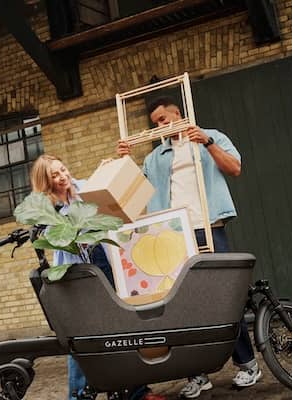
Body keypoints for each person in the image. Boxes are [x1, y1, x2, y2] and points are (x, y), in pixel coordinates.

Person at [117, 97, 262, 399]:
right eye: (155, 122)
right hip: (173, 237)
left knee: (225, 300)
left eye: (161, 119)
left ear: (177, 114)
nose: (158, 126)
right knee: (182, 308)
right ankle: (198, 374)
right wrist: (122, 161)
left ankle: (248, 364)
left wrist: (207, 141)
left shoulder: (210, 137)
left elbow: (234, 168)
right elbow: (134, 196)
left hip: (209, 227)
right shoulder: (156, 157)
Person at [30, 154, 166, 400]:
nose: (64, 177)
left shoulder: (84, 188)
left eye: (63, 169)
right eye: (55, 175)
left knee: (124, 326)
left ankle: (136, 392)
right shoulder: (47, 210)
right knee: (81, 337)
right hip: (77, 274)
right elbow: (54, 237)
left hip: (104, 262)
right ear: (46, 182)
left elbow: (105, 195)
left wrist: (107, 170)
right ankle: (79, 396)